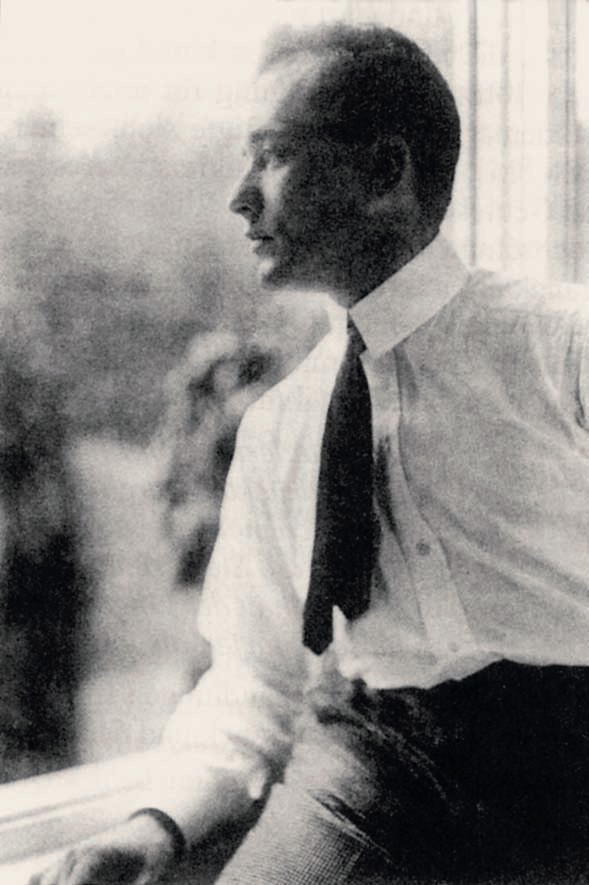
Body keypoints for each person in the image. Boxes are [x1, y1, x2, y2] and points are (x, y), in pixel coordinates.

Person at [32, 21, 589, 885]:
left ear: (385, 173)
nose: (239, 198)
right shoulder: (280, 429)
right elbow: (254, 679)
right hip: (368, 767)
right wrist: (155, 824)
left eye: (273, 156)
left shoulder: (560, 349)